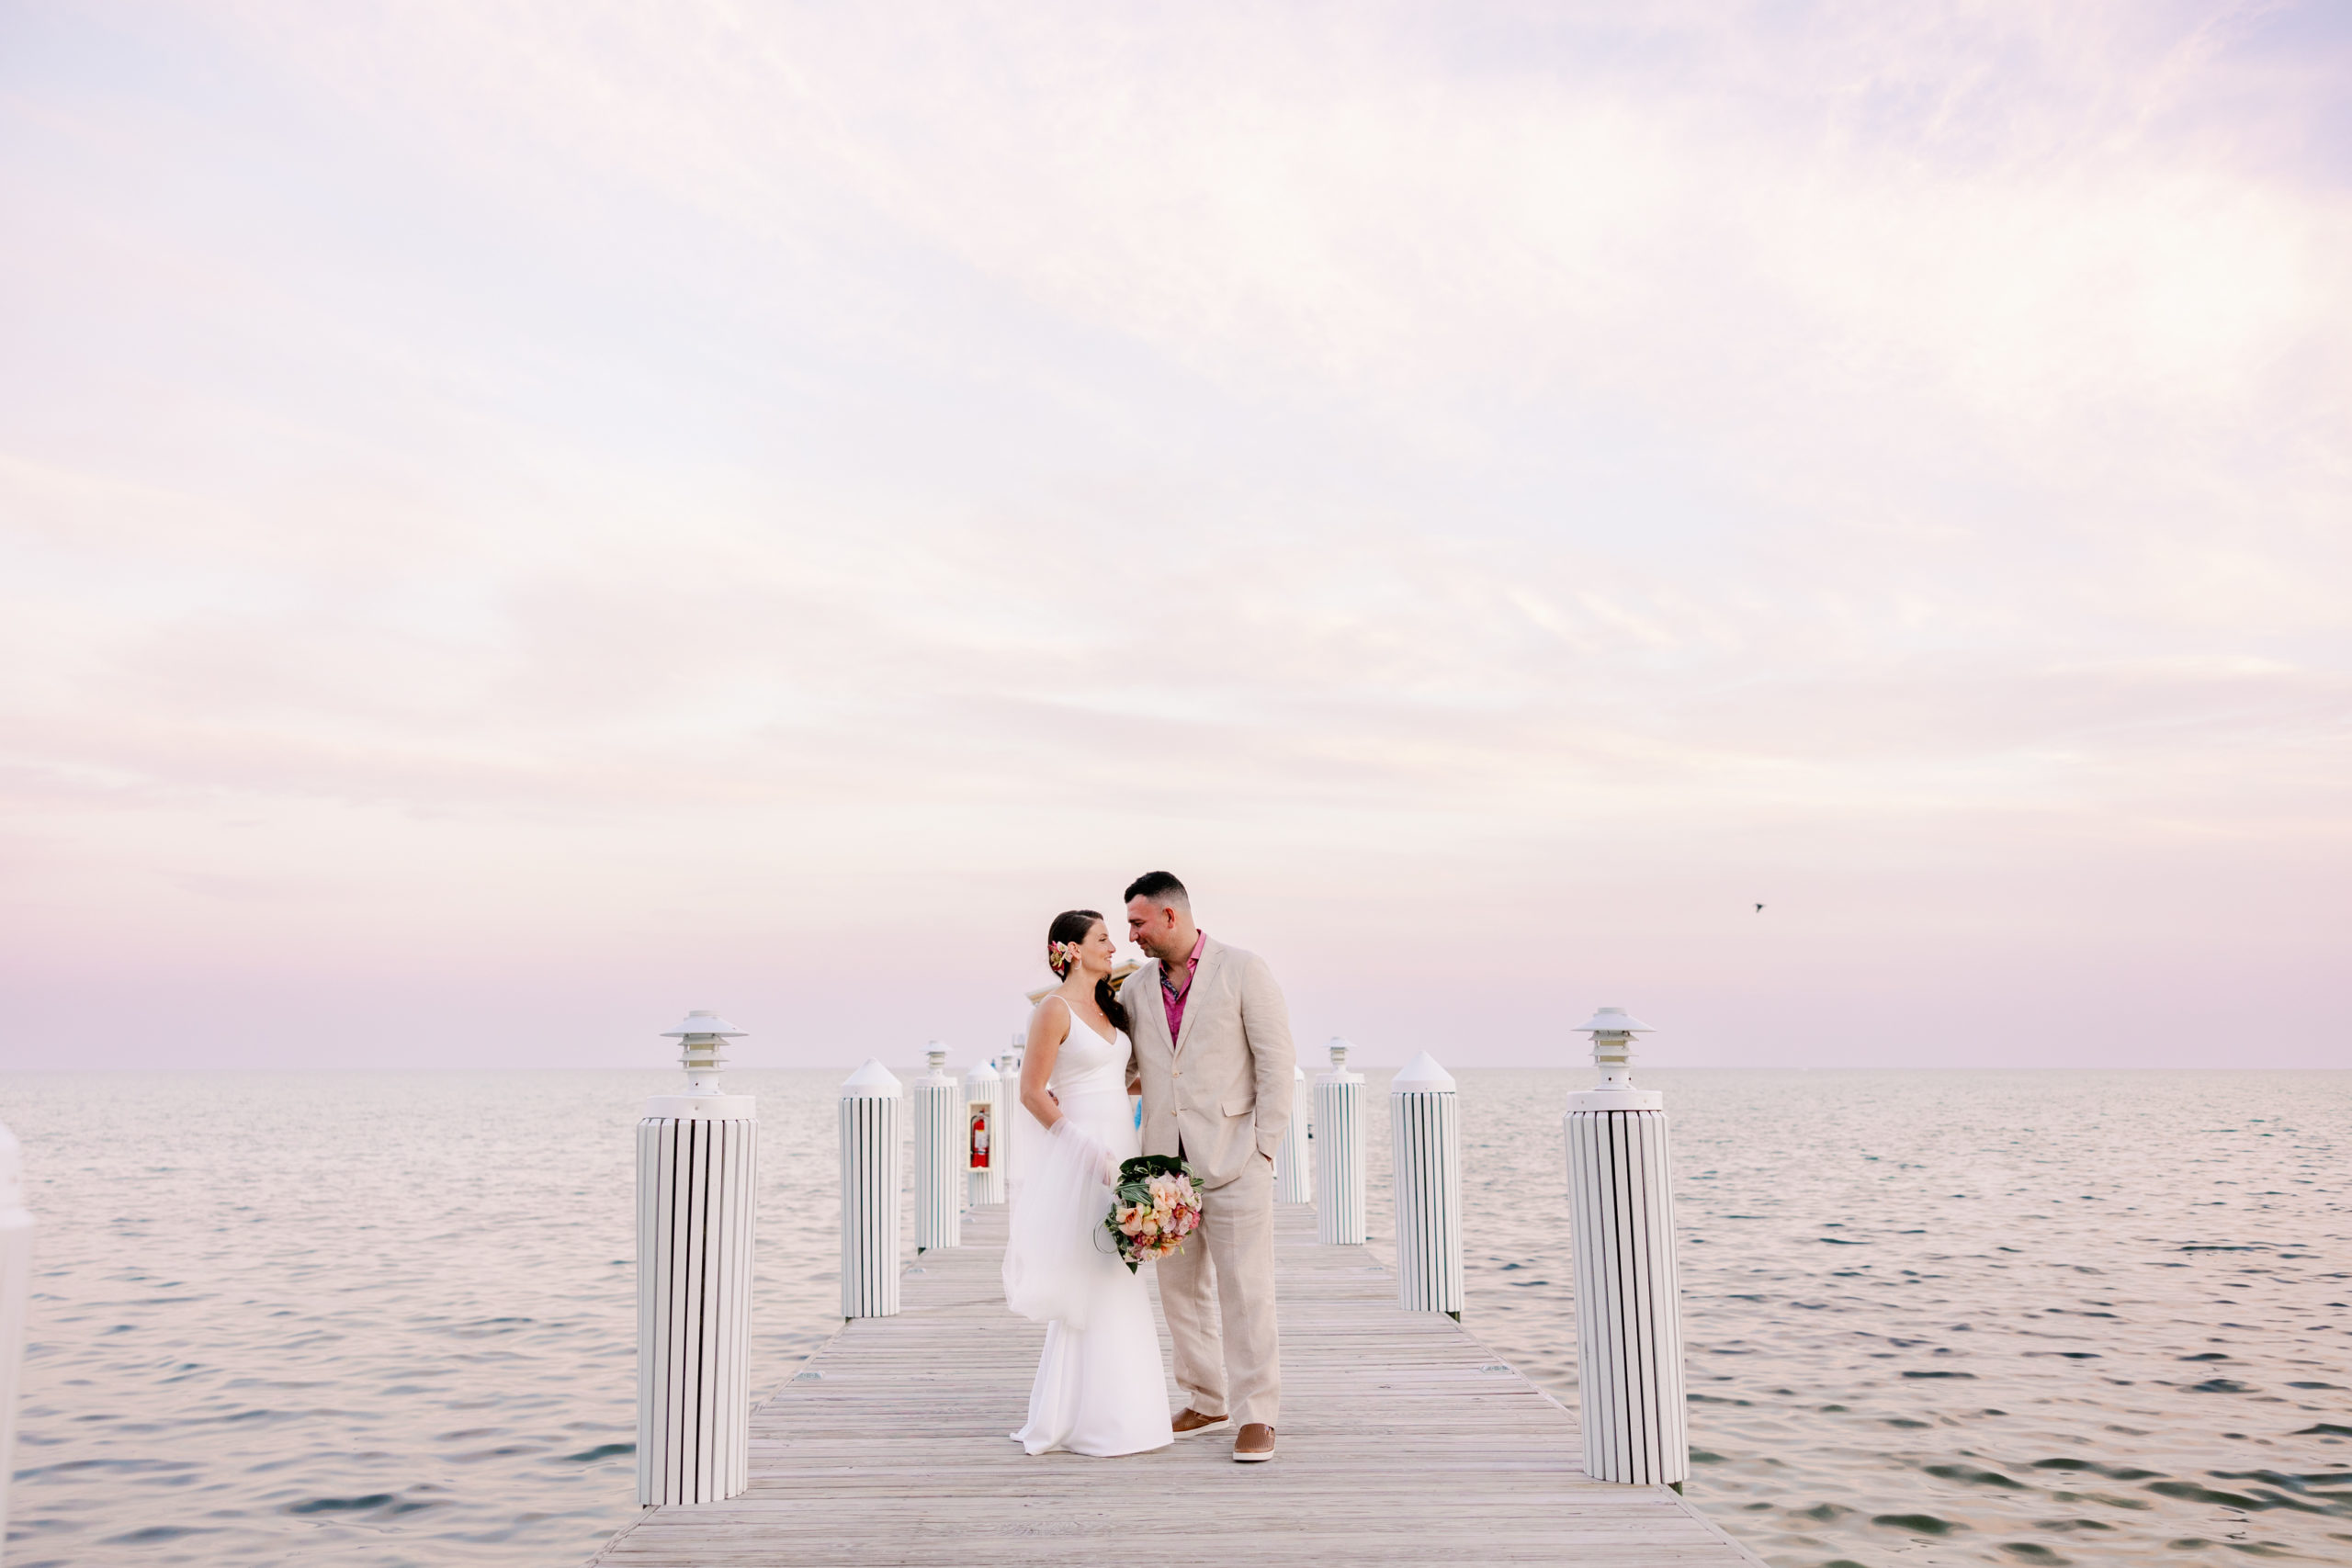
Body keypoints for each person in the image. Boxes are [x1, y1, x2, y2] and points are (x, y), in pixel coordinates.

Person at [1122, 871, 1295, 1462]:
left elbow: (1276, 1060)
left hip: (1235, 1157)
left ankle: (1257, 1416)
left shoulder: (1243, 969)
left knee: (1246, 1291)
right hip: (1164, 1165)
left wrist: (1264, 1148)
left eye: (1138, 923)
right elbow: (1126, 1066)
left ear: (1171, 916)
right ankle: (1204, 1397)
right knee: (1179, 1289)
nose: (1131, 936)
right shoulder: (1137, 987)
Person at [1001, 909, 1174, 1458]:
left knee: (1122, 1269)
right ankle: (1084, 1417)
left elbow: (1119, 1080)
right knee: (1093, 1268)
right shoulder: (1053, 1011)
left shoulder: (1109, 1008)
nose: (1112, 945)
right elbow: (1032, 1093)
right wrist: (1083, 1149)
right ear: (1072, 949)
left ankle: (1130, 1413)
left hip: (1122, 1143)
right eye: (1101, 938)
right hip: (1084, 1152)